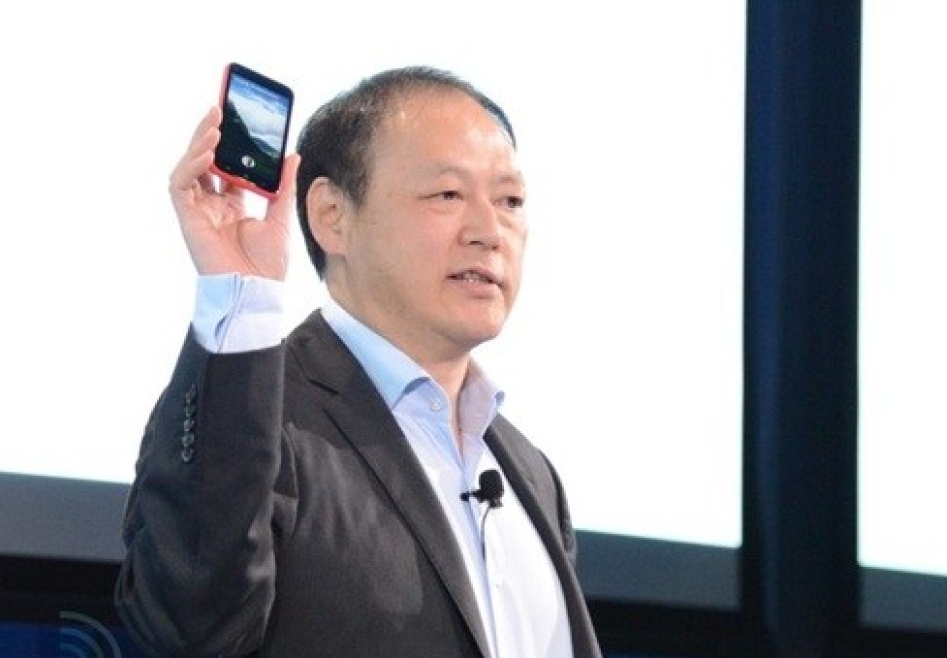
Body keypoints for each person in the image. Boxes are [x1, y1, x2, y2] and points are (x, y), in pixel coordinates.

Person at [115, 66, 602, 658]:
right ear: (332, 216)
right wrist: (241, 292)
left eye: (510, 201)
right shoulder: (258, 419)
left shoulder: (531, 474)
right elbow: (192, 625)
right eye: (448, 195)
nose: (489, 231)